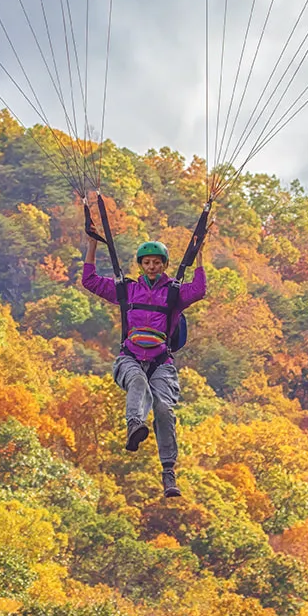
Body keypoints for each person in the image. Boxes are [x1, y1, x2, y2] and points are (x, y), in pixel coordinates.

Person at [82, 197, 207, 499]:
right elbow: (89, 281)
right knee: (138, 383)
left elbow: (199, 290)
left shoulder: (174, 294)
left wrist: (200, 253)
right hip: (131, 358)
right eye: (147, 263)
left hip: (162, 361)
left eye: (157, 263)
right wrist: (92, 245)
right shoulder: (127, 289)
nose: (152, 267)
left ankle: (168, 472)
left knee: (164, 409)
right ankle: (134, 425)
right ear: (140, 265)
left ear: (164, 265)